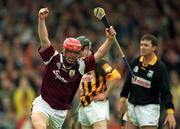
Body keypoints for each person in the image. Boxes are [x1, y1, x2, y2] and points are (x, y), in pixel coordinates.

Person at [31, 7, 116, 129]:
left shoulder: (81, 66)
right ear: (64, 50)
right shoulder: (53, 57)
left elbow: (99, 54)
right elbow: (44, 39)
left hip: (60, 112)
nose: (72, 55)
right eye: (69, 52)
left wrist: (109, 40)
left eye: (75, 53)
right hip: (43, 104)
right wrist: (41, 19)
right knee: (39, 126)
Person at [119, 34, 176, 129]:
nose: (142, 47)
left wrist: (170, 113)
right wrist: (122, 101)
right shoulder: (135, 62)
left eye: (146, 45)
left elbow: (166, 93)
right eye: (141, 45)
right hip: (132, 106)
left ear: (154, 48)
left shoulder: (160, 67)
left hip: (149, 109)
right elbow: (127, 84)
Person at [73, 36, 121, 129]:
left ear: (86, 49)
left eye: (78, 50)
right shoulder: (80, 64)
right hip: (84, 106)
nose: (76, 54)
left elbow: (116, 76)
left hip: (97, 106)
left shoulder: (98, 62)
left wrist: (105, 94)